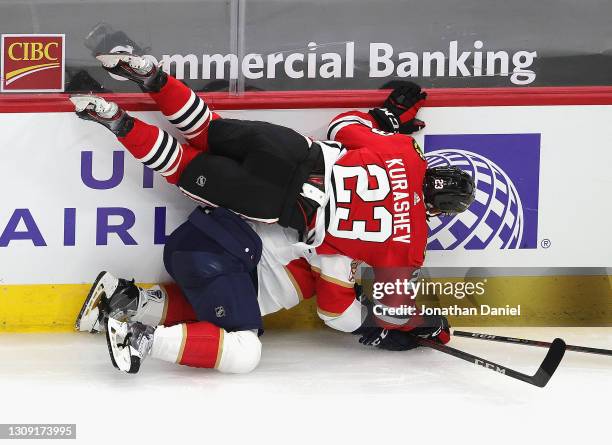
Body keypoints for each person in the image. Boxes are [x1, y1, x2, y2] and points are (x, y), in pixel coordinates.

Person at [72, 53, 475, 374]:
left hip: (288, 149)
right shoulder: (405, 246)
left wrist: (387, 118)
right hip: (276, 201)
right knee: (181, 163)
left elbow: (343, 125)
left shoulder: (404, 152)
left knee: (206, 128)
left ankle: (153, 77)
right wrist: (414, 323)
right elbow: (359, 310)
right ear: (439, 210)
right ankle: (118, 120)